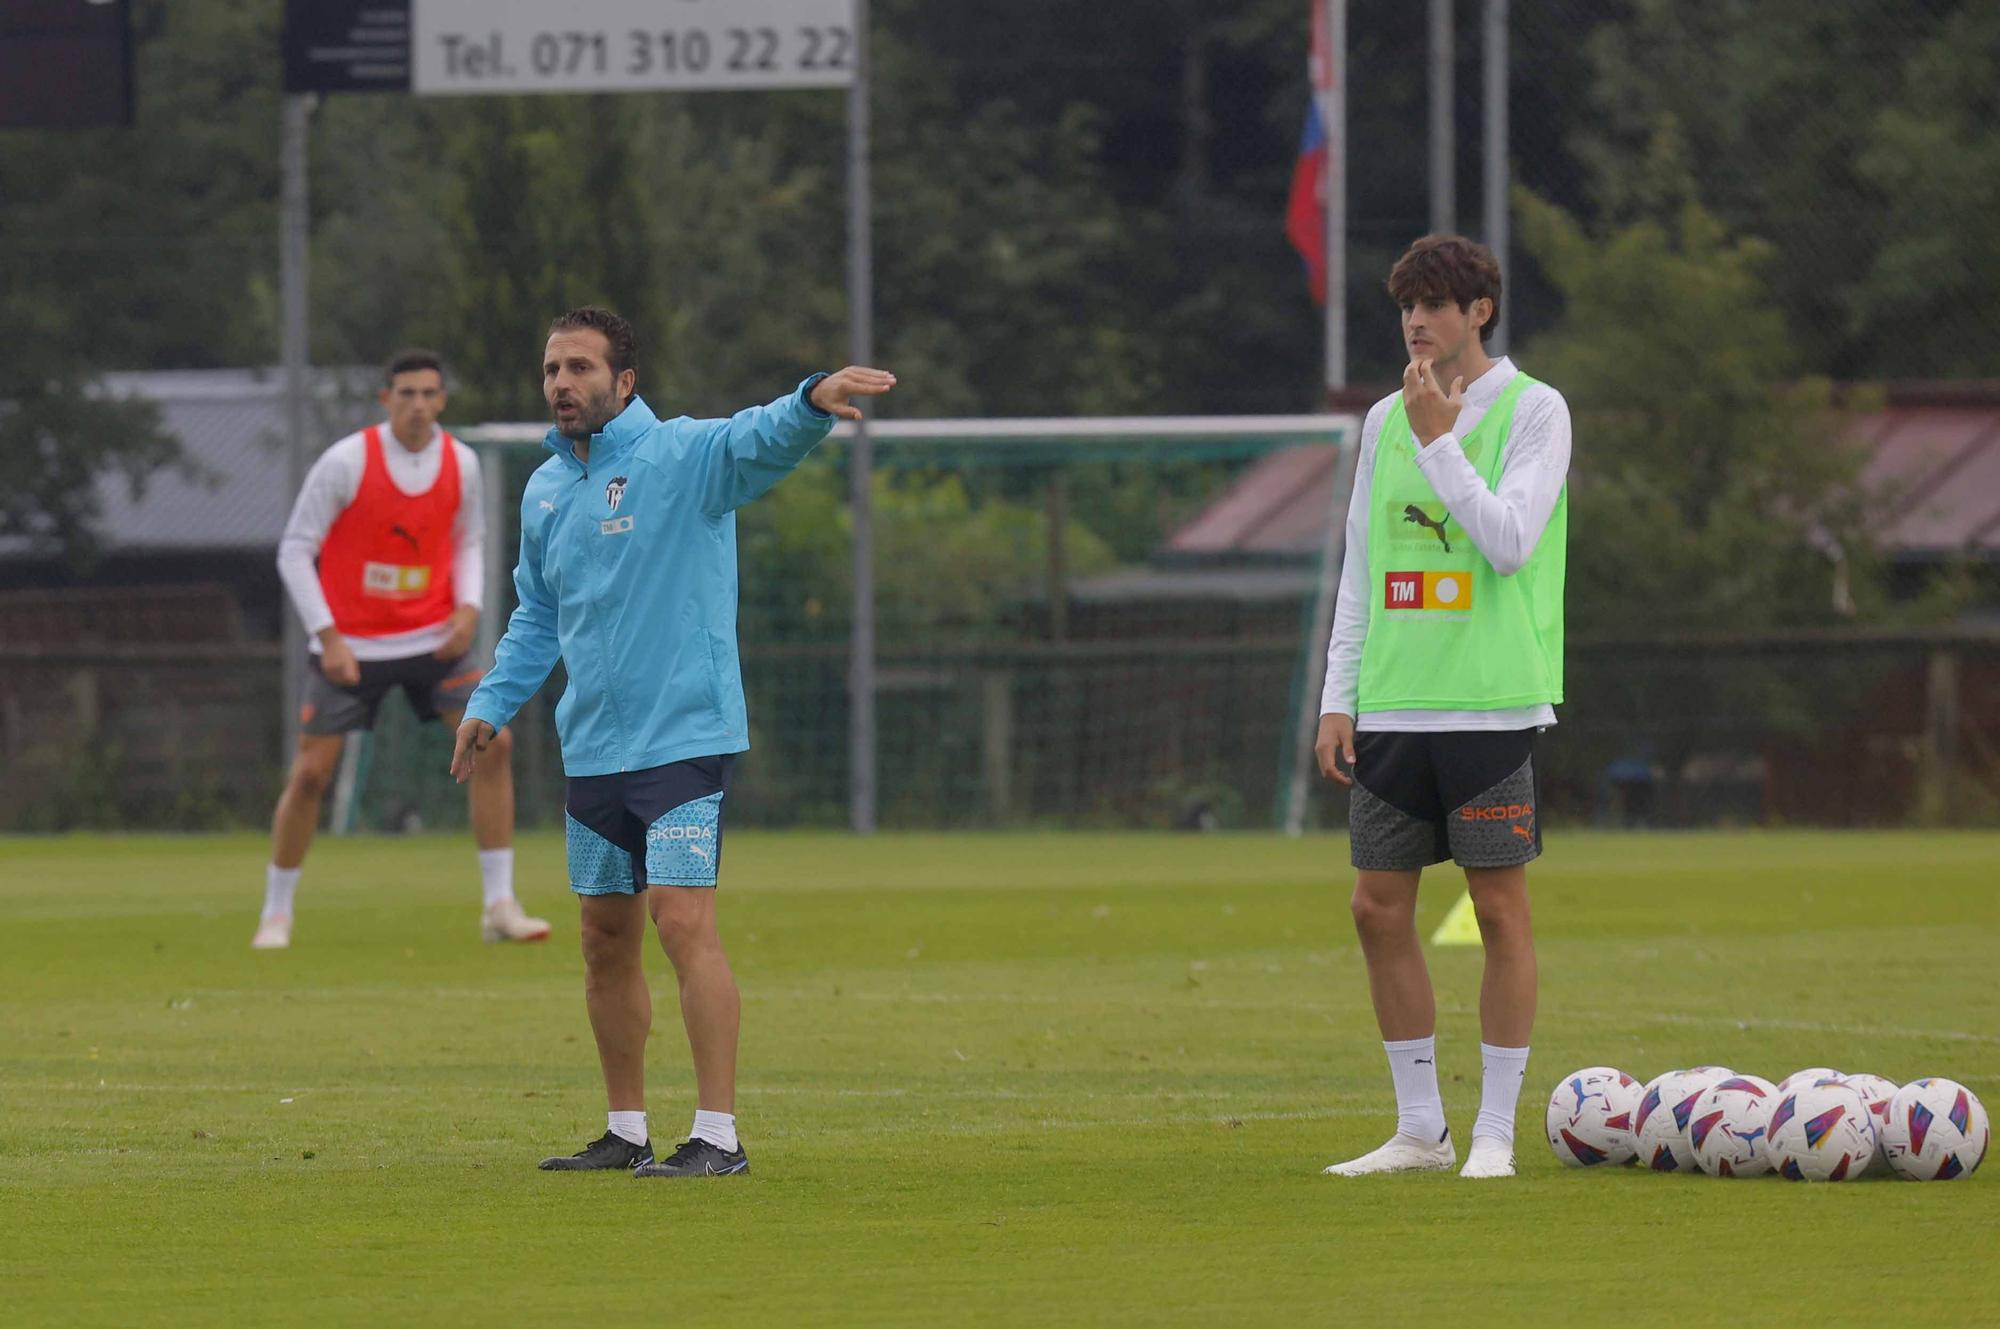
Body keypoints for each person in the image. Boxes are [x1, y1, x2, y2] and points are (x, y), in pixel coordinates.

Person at [450, 307, 895, 1179]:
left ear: (625, 382)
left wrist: (810, 398)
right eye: (551, 369)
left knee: (682, 920)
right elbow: (539, 614)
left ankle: (718, 1137)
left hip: (684, 735)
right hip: (594, 749)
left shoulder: (681, 457)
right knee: (600, 936)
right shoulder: (545, 490)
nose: (561, 383)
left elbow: (756, 439)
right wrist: (493, 699)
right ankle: (625, 1129)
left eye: (580, 367)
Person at [1314, 234, 1572, 1180]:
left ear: (1480, 313)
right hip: (1394, 705)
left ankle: (1495, 1130)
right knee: (1375, 907)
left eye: (1435, 303)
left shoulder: (1536, 410)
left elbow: (1507, 541)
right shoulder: (1384, 419)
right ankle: (1421, 1130)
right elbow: (1363, 571)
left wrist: (1441, 443)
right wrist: (1338, 697)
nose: (1417, 321)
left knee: (1499, 912)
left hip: (1492, 706)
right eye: (1406, 305)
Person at [256, 350, 548, 951]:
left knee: (494, 745)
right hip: (351, 646)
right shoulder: (345, 462)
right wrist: (327, 635)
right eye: (406, 393)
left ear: (442, 401)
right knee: (311, 774)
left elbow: (471, 540)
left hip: (433, 639)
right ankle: (276, 914)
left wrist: (467, 608)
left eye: (429, 394)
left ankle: (499, 904)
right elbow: (294, 550)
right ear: (385, 399)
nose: (418, 404)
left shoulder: (461, 464)